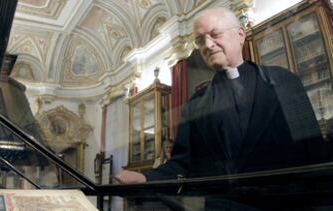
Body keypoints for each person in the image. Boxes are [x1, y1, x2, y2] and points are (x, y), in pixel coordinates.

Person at [115, 7, 326, 184]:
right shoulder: (195, 105)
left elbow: (314, 152)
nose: (207, 45)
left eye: (215, 34)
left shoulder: (284, 81)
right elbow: (182, 164)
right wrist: (145, 178)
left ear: (240, 35)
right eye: (200, 40)